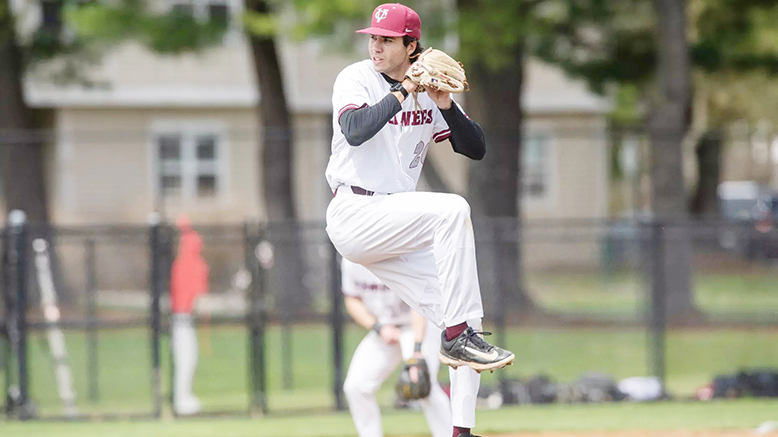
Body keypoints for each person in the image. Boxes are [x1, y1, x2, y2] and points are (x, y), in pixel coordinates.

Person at [324, 4, 514, 436]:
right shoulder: (356, 78)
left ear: (411, 45)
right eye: (373, 37)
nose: (375, 45)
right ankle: (456, 339)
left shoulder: (429, 90)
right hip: (355, 212)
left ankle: (460, 428)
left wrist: (445, 105)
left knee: (464, 318)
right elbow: (355, 129)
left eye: (387, 39)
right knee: (453, 208)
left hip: (395, 225)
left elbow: (475, 147)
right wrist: (406, 87)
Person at [341, 258, 451, 437]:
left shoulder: (399, 253)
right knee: (355, 387)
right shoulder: (351, 257)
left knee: (423, 384)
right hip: (384, 328)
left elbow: (419, 303)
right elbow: (352, 299)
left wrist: (416, 352)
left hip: (418, 325)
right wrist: (378, 327)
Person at [169, 216, 209, 415]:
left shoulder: (183, 263)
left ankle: (183, 397)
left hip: (184, 317)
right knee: (185, 358)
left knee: (187, 358)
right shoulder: (188, 264)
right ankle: (181, 399)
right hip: (181, 316)